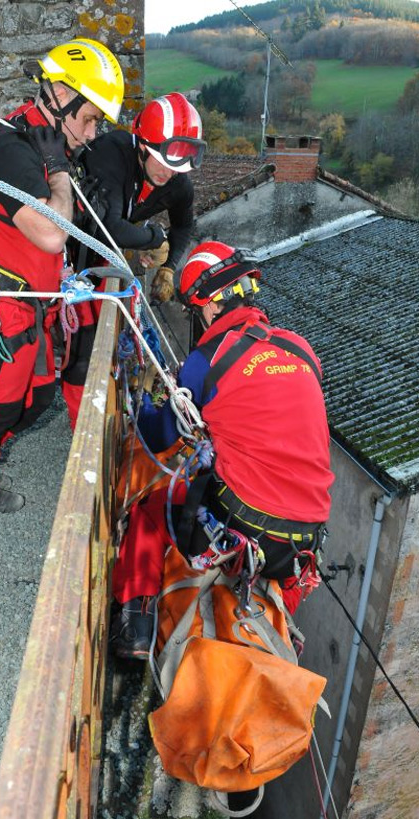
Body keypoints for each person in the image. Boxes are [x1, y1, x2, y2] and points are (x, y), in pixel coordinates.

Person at [110, 240, 334, 659]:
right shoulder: (302, 351)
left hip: (246, 528)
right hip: (305, 542)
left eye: (197, 311)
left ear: (211, 305)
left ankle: (134, 625)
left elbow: (159, 436)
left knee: (150, 512)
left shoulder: (209, 359)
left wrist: (139, 407)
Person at [0, 39, 124, 513]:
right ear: (61, 95)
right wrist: (60, 173)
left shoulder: (41, 145)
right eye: (89, 117)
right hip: (3, 308)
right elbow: (51, 233)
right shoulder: (8, 148)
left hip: (35, 303)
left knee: (39, 396)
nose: (91, 133)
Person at [60, 91, 206, 427]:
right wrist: (154, 238)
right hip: (72, 249)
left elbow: (185, 225)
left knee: (100, 341)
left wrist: (169, 268)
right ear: (141, 146)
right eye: (164, 163)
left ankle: (94, 413)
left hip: (103, 255)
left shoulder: (175, 181)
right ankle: (81, 423)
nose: (169, 174)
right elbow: (108, 226)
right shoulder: (112, 154)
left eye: (178, 168)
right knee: (82, 346)